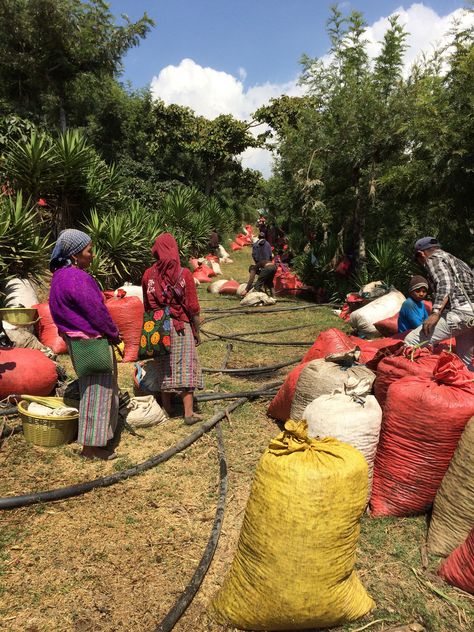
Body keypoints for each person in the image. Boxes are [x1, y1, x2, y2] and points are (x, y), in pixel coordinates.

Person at [49, 229, 120, 460]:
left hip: (76, 343)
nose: (93, 255)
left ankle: (99, 438)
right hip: (91, 342)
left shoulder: (59, 278)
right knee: (98, 393)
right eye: (89, 251)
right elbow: (97, 312)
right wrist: (113, 333)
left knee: (91, 389)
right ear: (75, 254)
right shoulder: (78, 278)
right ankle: (91, 447)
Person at [141, 233, 204, 424]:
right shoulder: (183, 273)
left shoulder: (148, 275)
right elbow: (192, 306)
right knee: (185, 365)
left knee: (164, 366)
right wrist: (196, 331)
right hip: (179, 326)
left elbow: (146, 305)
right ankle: (188, 413)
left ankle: (167, 409)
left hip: (159, 328)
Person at [404, 237, 474, 371]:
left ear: (421, 254)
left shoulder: (433, 259)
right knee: (466, 361)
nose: (422, 263)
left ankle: (418, 382)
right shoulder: (458, 261)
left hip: (460, 313)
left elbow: (445, 283)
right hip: (471, 314)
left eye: (419, 260)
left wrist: (435, 313)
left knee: (411, 341)